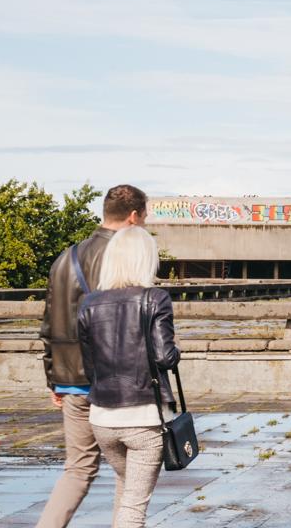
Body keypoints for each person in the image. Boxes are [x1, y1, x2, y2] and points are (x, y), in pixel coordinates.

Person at [36, 184, 147, 528]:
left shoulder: (65, 258)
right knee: (128, 471)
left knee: (78, 468)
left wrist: (53, 377)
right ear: (133, 216)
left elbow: (48, 321)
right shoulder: (124, 259)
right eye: (144, 216)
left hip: (71, 381)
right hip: (112, 382)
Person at [77, 226, 180, 528]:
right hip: (144, 417)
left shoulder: (88, 303)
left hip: (102, 418)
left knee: (126, 490)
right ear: (145, 259)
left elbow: (89, 366)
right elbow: (164, 357)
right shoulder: (156, 298)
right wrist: (177, 351)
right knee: (134, 507)